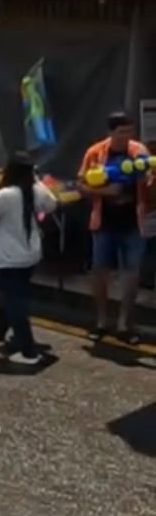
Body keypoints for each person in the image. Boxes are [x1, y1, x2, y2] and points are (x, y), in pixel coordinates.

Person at [0, 152, 57, 367]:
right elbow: (52, 204)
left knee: (15, 301)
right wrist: (37, 181)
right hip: (30, 255)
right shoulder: (33, 191)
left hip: (9, 257)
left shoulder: (5, 195)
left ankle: (28, 352)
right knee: (13, 295)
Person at [78, 111, 151, 344]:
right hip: (104, 222)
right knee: (100, 272)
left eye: (130, 131)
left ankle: (124, 323)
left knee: (131, 274)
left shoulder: (139, 151)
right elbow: (81, 184)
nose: (127, 136)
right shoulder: (95, 152)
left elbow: (148, 183)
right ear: (111, 132)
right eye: (122, 132)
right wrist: (106, 192)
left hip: (133, 222)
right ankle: (101, 321)